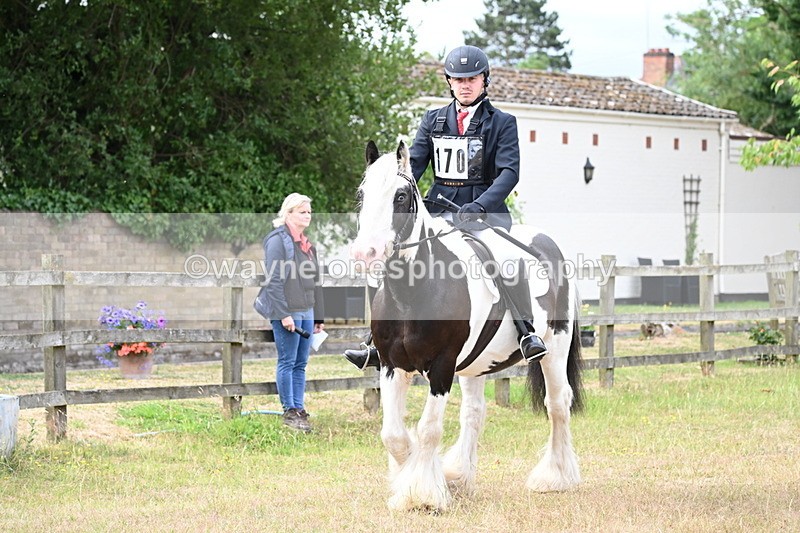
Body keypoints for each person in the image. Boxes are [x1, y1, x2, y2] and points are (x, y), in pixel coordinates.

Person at [344, 45, 547, 370]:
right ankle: (374, 342)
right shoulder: (433, 119)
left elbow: (510, 172)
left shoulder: (503, 123)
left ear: (484, 80)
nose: (465, 84)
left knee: (507, 258)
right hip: (439, 213)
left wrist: (480, 205)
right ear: (449, 82)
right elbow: (414, 166)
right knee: (392, 262)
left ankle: (526, 332)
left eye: (472, 78)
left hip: (485, 215)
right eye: (458, 79)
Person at [257, 193, 325, 432]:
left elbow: (316, 282)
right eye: (302, 211)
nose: (307, 215)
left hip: (307, 310)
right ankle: (289, 411)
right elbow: (273, 281)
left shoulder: (307, 245)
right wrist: (283, 314)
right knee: (287, 361)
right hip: (288, 311)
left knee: (301, 363)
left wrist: (319, 317)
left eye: (308, 211)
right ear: (288, 213)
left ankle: (299, 408)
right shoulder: (277, 241)